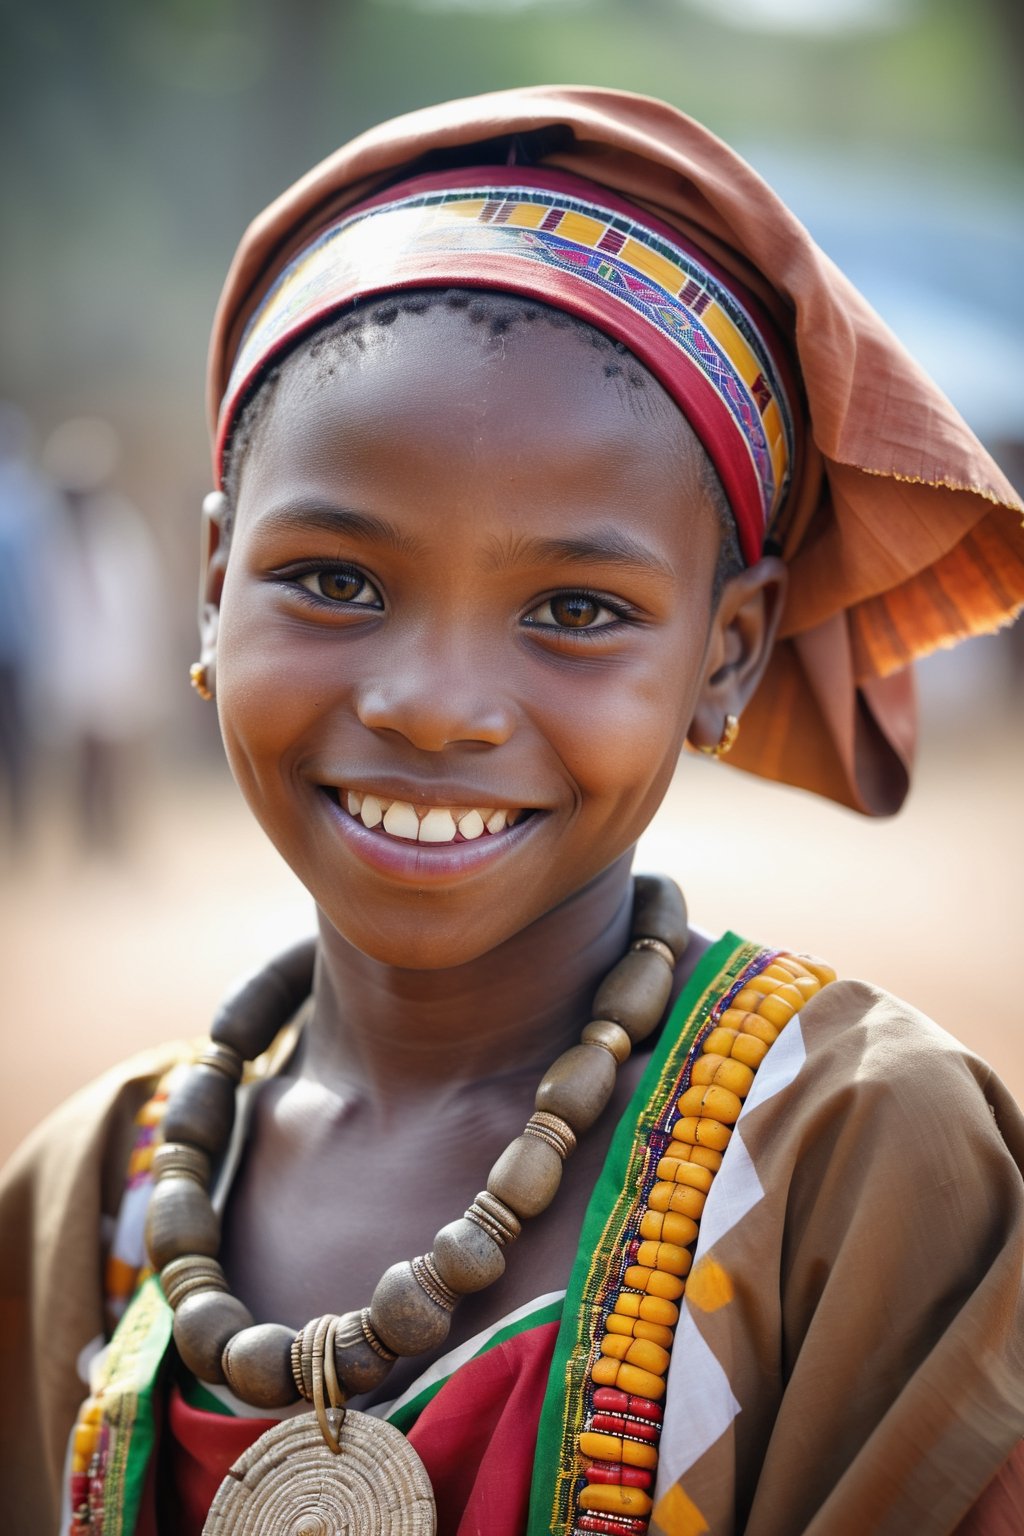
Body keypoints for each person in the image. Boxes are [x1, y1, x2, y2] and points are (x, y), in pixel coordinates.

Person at [1, 85, 1022, 1536]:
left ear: (726, 649)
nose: (434, 704)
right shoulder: (80, 1201)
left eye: (575, 609)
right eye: (338, 580)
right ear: (215, 574)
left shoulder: (860, 1166)